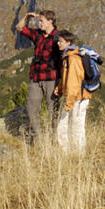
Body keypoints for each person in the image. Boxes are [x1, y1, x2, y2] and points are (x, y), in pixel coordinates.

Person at [15, 10, 61, 141]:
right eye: (39, 20)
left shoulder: (58, 37)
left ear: (50, 21)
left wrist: (61, 82)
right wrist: (26, 17)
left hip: (52, 78)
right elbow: (19, 27)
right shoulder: (38, 35)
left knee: (53, 111)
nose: (39, 23)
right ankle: (40, 140)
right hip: (36, 78)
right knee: (31, 109)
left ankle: (55, 139)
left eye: (42, 21)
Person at [53, 30, 92, 152]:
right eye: (58, 41)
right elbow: (67, 78)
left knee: (76, 129)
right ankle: (67, 155)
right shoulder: (67, 58)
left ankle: (78, 157)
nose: (58, 43)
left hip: (78, 99)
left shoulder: (73, 59)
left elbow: (73, 83)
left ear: (68, 42)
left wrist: (69, 103)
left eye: (61, 41)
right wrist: (60, 88)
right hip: (74, 98)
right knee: (66, 127)